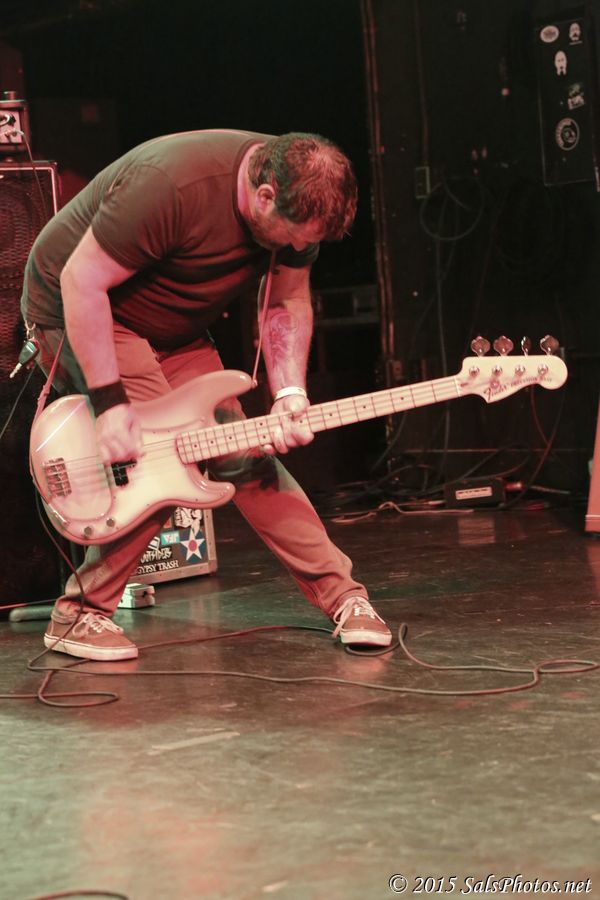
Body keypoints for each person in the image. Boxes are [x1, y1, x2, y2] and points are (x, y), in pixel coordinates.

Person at [21, 128, 392, 661]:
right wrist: (110, 404)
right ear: (264, 195)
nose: (295, 249)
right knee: (167, 454)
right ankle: (80, 614)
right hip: (76, 311)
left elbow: (286, 301)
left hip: (174, 332)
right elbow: (81, 281)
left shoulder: (302, 198)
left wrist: (290, 392)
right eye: (291, 237)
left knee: (242, 452)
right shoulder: (170, 185)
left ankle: (345, 598)